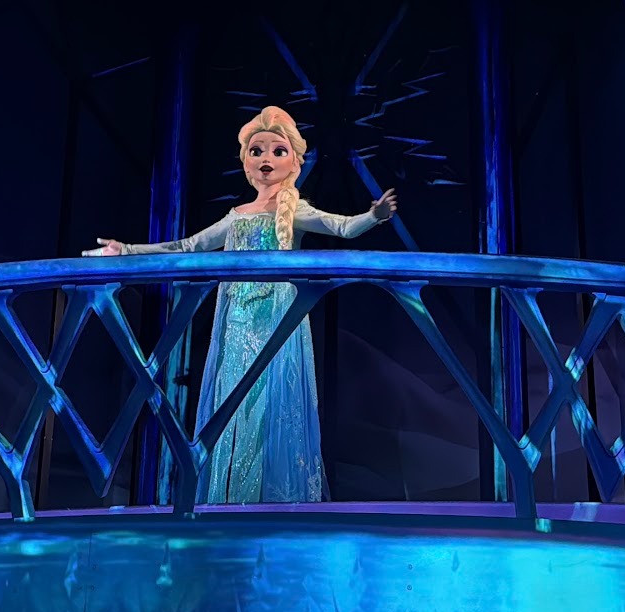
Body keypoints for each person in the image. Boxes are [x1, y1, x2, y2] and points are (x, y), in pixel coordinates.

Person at [84, 106, 398, 503]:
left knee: (270, 402)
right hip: (237, 321)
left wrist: (373, 216)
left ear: (294, 161)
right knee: (234, 402)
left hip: (277, 319)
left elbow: (341, 226)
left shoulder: (294, 210)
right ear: (245, 161)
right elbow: (188, 246)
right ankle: (231, 498)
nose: (266, 159)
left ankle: (273, 500)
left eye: (277, 151)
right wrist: (127, 250)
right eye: (257, 151)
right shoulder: (235, 217)